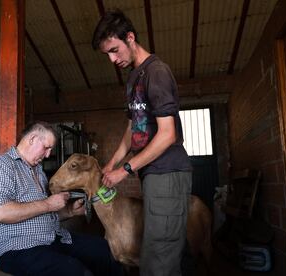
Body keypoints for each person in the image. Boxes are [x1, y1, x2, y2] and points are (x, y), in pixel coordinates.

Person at [92, 10, 192, 276]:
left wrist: (124, 171)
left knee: (159, 261)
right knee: (153, 256)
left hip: (168, 172)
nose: (113, 59)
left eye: (114, 50)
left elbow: (168, 134)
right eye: (107, 55)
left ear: (131, 38)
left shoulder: (156, 72)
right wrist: (111, 163)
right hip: (154, 176)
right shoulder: (134, 77)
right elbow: (132, 127)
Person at [0, 121, 123, 276]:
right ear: (32, 139)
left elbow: (40, 213)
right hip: (17, 248)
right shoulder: (1, 166)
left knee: (103, 249)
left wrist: (69, 211)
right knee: (74, 270)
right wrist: (48, 204)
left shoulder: (38, 171)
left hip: (53, 238)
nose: (48, 154)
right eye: (46, 147)